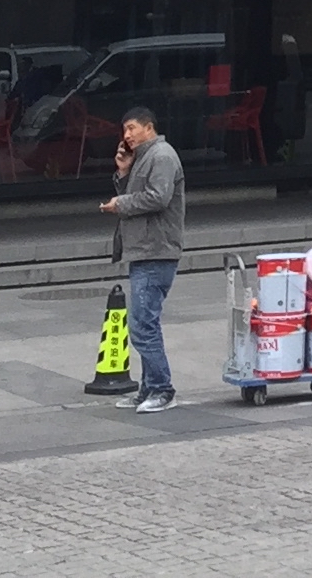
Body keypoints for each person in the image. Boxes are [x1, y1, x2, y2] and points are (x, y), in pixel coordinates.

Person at [100, 103, 188, 408]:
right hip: (145, 249)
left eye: (132, 128)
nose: (127, 135)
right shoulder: (144, 157)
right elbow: (138, 193)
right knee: (143, 323)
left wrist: (120, 204)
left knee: (142, 326)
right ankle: (149, 389)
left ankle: (162, 389)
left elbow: (158, 198)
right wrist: (124, 171)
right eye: (124, 130)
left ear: (148, 127)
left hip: (156, 250)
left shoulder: (161, 156)